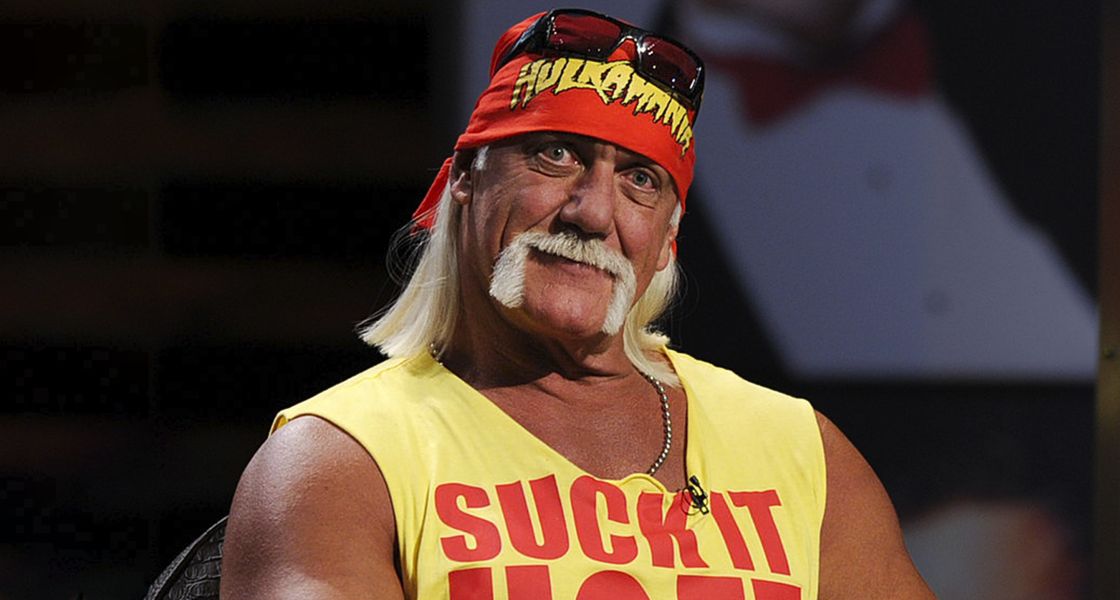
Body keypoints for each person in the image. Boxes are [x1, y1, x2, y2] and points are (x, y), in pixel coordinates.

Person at [220, 8, 934, 599]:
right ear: (466, 176)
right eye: (556, 155)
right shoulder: (340, 460)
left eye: (640, 180)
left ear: (668, 238)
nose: (592, 213)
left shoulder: (804, 454)